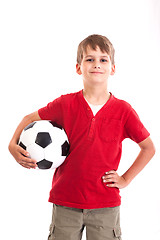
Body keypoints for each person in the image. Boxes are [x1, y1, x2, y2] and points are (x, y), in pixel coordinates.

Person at [8, 34, 155, 240]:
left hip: (105, 204)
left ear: (112, 68)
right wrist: (12, 145)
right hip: (66, 200)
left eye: (103, 59)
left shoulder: (124, 111)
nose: (97, 64)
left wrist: (125, 179)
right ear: (79, 67)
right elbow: (28, 118)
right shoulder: (65, 104)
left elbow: (148, 148)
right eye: (90, 59)